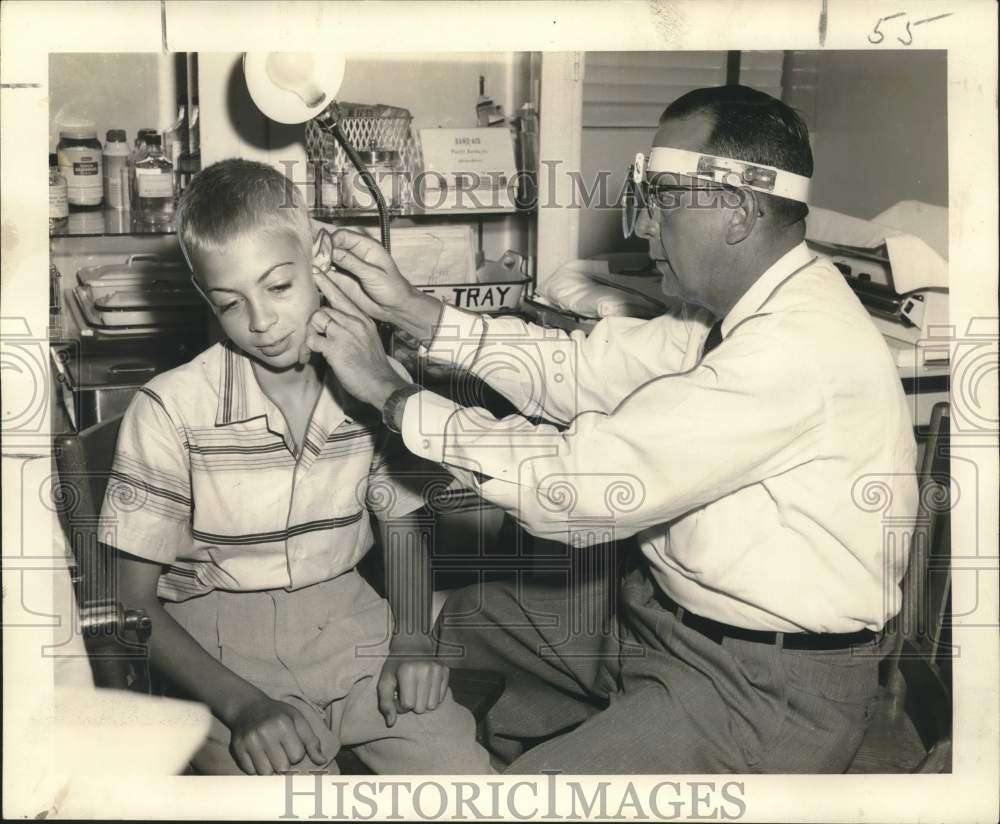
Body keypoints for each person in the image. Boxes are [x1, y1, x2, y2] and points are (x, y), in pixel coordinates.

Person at [306, 85, 919, 773]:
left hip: (761, 684)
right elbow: (583, 366)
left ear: (739, 211)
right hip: (658, 617)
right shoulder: (740, 312)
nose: (643, 226)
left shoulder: (794, 351)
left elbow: (574, 487)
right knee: (467, 625)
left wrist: (391, 393)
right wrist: (420, 314)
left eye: (662, 197)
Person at [101, 158, 491, 775]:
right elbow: (131, 602)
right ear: (206, 296)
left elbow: (404, 525)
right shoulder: (169, 410)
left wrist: (412, 639)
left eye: (279, 286)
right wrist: (241, 705)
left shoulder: (372, 384)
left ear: (318, 258)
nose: (260, 322)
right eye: (231, 303)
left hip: (354, 627)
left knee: (466, 780)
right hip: (220, 654)